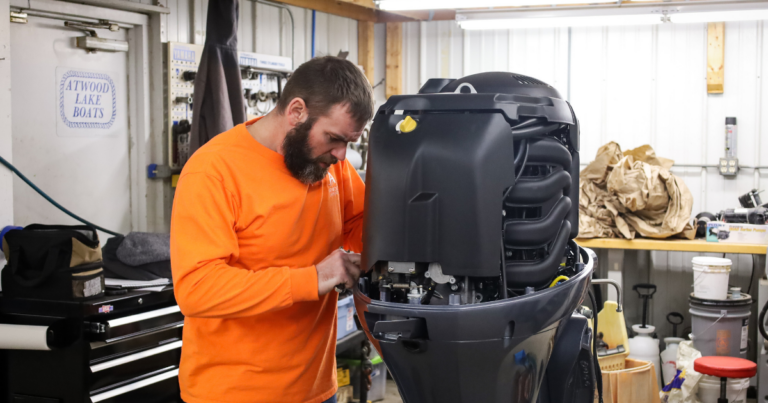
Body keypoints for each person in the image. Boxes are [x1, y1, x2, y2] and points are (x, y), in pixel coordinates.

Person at [170, 56, 374, 403]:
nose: (342, 155)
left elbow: (362, 222)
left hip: (315, 389)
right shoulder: (214, 171)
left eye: (350, 143)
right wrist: (312, 279)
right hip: (233, 394)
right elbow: (197, 288)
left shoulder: (328, 166)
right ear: (296, 111)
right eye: (334, 138)